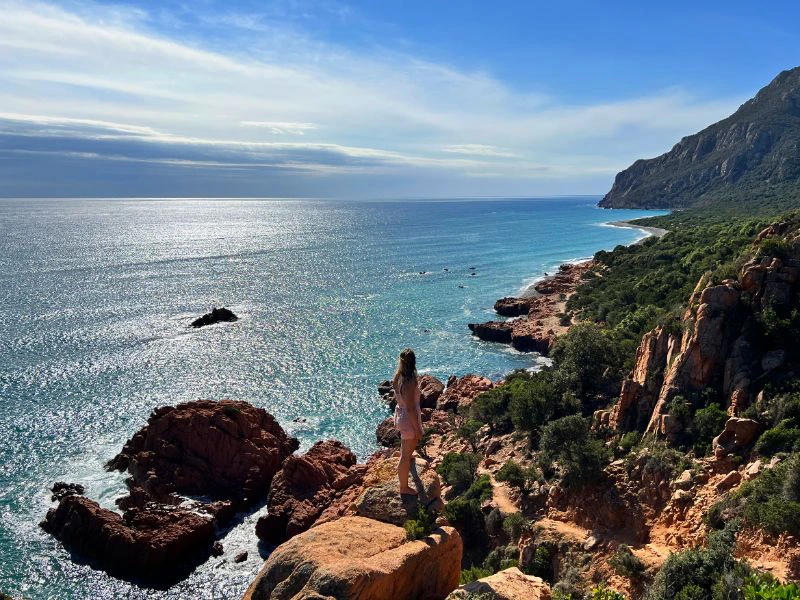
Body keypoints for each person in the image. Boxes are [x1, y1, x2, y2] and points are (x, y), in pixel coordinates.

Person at [393, 348, 424, 495]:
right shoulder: (410, 380)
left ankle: (408, 454)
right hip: (408, 418)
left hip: (401, 415)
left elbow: (395, 388)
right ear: (414, 362)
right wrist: (418, 429)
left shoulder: (399, 378)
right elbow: (411, 408)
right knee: (404, 456)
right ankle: (403, 487)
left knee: (407, 447)